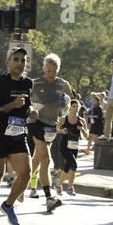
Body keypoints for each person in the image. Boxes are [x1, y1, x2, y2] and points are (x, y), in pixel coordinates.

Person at [0, 47, 35, 225]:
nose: (20, 63)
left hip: (17, 135)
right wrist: (11, 105)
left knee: (26, 174)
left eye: (23, 60)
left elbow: (26, 108)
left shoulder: (28, 83)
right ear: (8, 62)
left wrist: (31, 113)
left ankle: (8, 205)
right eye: (16, 59)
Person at [28, 53, 73, 212]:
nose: (51, 75)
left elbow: (68, 107)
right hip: (35, 123)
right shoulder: (34, 83)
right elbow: (25, 102)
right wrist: (32, 108)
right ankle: (49, 197)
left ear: (58, 70)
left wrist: (65, 111)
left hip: (51, 126)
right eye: (48, 71)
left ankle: (20, 183)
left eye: (53, 72)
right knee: (46, 160)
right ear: (43, 68)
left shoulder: (63, 84)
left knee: (37, 160)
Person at [55, 100, 88, 196]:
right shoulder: (63, 119)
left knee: (70, 165)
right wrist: (62, 131)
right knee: (73, 164)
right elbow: (55, 130)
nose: (76, 108)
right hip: (65, 145)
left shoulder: (81, 121)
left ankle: (60, 185)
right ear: (70, 108)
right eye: (74, 106)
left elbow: (86, 136)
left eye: (77, 106)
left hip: (75, 146)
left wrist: (81, 129)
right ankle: (70, 187)